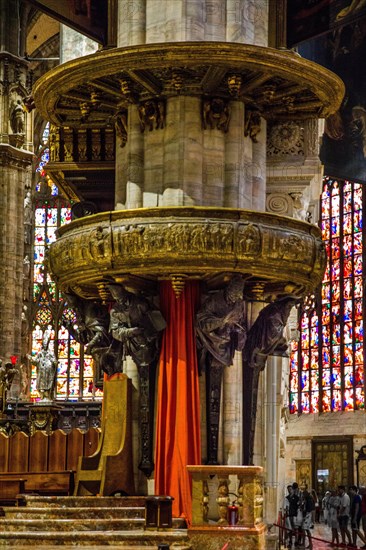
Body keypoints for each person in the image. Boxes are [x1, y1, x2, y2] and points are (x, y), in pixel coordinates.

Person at [108, 284, 166, 369]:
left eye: (121, 298)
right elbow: (115, 332)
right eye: (117, 300)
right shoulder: (115, 311)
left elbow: (157, 321)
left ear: (126, 294)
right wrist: (130, 331)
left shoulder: (140, 303)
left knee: (153, 366)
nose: (120, 302)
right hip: (131, 345)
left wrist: (147, 331)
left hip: (148, 340)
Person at [195, 275, 246, 372]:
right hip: (213, 338)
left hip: (227, 339)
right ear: (228, 290)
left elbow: (240, 321)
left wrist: (238, 328)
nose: (234, 300)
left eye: (237, 297)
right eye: (233, 296)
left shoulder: (238, 303)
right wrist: (222, 321)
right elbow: (201, 321)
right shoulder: (214, 300)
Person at [27, 331, 57, 400]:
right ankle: (42, 396)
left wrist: (54, 363)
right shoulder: (40, 353)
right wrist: (30, 358)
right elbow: (36, 361)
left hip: (48, 372)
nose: (45, 345)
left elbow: (54, 361)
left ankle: (48, 396)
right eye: (44, 343)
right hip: (41, 372)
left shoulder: (51, 353)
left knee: (48, 385)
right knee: (41, 386)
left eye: (46, 343)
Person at [284, 484, 300, 548]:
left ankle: (296, 541)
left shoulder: (296, 498)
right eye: (288, 490)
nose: (289, 491)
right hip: (289, 515)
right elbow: (286, 507)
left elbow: (298, 506)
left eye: (290, 489)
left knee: (295, 529)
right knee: (289, 529)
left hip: (295, 514)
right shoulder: (286, 498)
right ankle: (290, 541)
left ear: (293, 490)